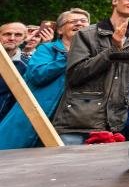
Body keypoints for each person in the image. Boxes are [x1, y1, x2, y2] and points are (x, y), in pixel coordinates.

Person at [53, 0, 129, 144]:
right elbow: (75, 75)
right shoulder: (86, 34)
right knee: (65, 167)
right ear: (115, 1)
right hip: (79, 122)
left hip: (114, 123)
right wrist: (114, 49)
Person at [0, 9, 90, 149]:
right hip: (38, 116)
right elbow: (38, 75)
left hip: (73, 120)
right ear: (60, 30)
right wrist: (69, 57)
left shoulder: (94, 53)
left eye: (84, 21)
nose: (79, 24)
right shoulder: (47, 49)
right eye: (73, 21)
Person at [0, 21, 30, 119]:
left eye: (18, 35)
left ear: (24, 39)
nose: (12, 38)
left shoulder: (28, 65)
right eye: (7, 34)